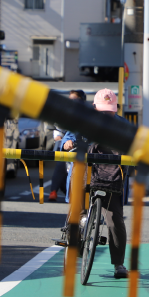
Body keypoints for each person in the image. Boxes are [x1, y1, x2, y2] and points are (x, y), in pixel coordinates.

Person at [62, 89, 128, 279]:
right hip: (85, 172)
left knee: (115, 221)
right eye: (102, 111)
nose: (106, 115)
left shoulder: (123, 125)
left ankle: (118, 264)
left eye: (109, 111)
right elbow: (68, 138)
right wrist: (67, 143)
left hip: (111, 175)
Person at [49, 90, 86, 202]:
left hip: (85, 148)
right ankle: (54, 191)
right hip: (69, 146)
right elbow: (58, 128)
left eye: (75, 99)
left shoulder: (87, 114)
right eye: (70, 99)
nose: (72, 102)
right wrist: (59, 138)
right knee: (61, 165)